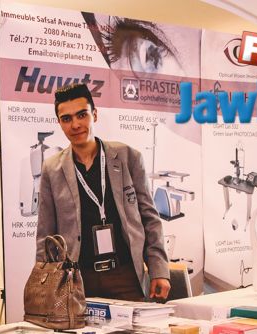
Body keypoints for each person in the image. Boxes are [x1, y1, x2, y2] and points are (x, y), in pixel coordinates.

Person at [36, 84, 170, 301]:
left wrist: (159, 270)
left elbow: (150, 219)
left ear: (95, 115)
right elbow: (46, 235)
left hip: (125, 276)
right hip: (77, 281)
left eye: (82, 115)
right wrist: (46, 284)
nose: (75, 124)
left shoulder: (128, 157)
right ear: (59, 123)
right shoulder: (52, 169)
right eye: (67, 119)